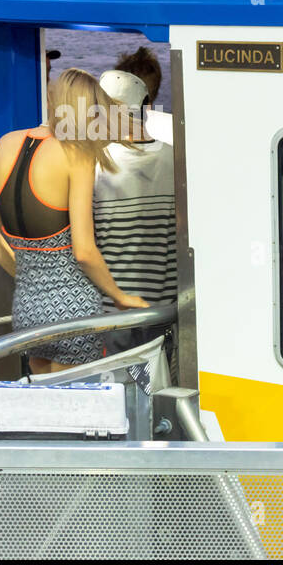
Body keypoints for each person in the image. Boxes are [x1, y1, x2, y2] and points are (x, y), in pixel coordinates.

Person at [0, 68, 147, 374]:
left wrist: (31, 278)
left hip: (27, 308)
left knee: (42, 410)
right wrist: (120, 296)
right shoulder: (76, 154)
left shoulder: (5, 143)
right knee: (73, 410)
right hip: (74, 311)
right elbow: (84, 252)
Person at [94, 48, 178, 355]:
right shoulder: (176, 159)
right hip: (163, 309)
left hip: (112, 309)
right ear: (149, 102)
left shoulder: (93, 164)